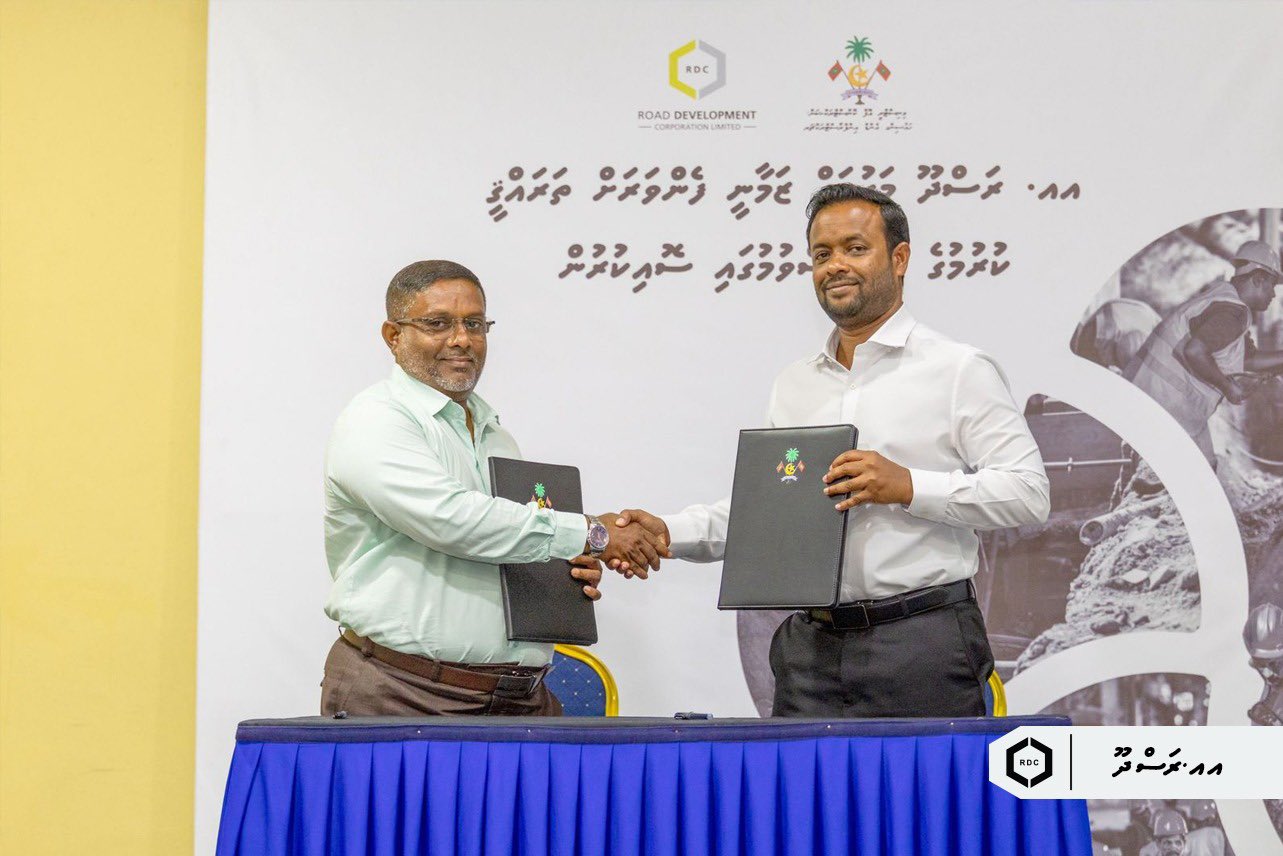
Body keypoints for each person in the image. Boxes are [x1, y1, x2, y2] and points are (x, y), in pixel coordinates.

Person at [614, 184, 1049, 717]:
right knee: (802, 779)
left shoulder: (958, 369)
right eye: (822, 254)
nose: (835, 265)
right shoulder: (795, 384)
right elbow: (771, 512)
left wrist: (908, 486)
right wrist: (667, 532)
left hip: (921, 644)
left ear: (900, 258)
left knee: (921, 779)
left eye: (855, 248)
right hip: (810, 653)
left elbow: (1028, 493)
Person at [320, 260, 668, 717]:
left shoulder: (496, 435)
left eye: (475, 324)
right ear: (393, 336)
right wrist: (591, 535)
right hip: (405, 693)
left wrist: (565, 570)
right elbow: (451, 520)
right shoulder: (375, 420)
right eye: (437, 324)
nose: (461, 339)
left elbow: (504, 539)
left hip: (520, 698)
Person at [1123, 239, 1283, 465]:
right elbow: (1195, 352)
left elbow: (1249, 359)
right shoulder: (1231, 313)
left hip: (1151, 397)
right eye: (1272, 286)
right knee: (1168, 473)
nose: (1273, 295)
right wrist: (1228, 387)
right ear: (1258, 279)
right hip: (1161, 404)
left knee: (1204, 465)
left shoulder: (1224, 301)